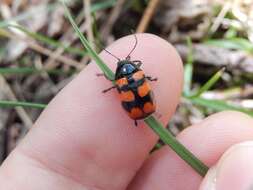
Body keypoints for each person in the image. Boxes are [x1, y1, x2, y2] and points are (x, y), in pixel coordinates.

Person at [0, 34, 252, 190]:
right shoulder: (135, 75)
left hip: (138, 111)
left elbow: (124, 89)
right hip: (145, 109)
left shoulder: (121, 80)